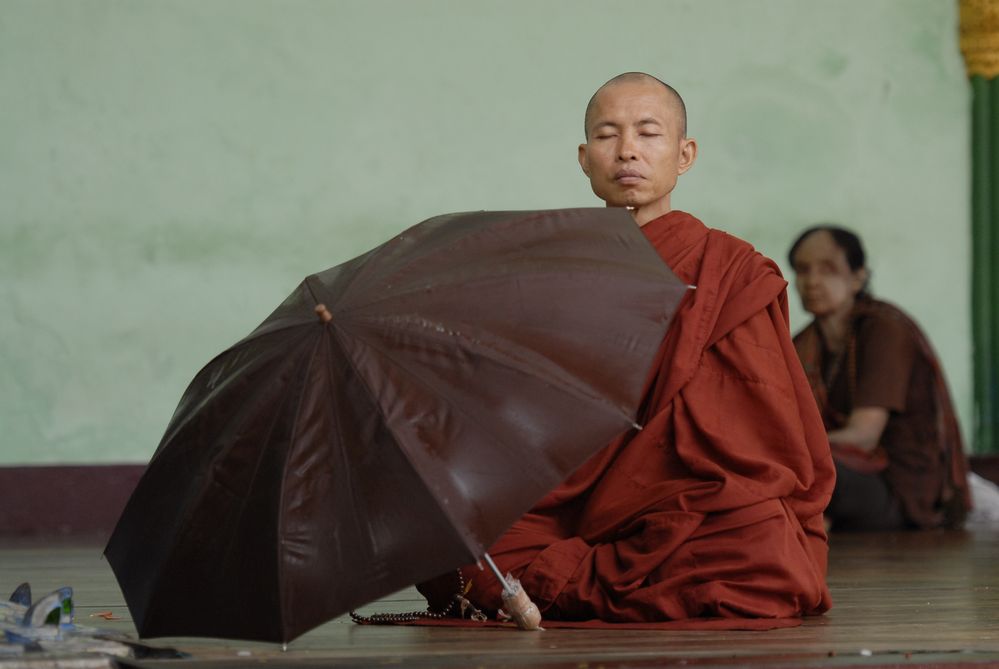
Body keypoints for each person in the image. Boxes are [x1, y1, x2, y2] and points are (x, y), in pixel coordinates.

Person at [418, 72, 835, 624]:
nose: (628, 151)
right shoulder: (550, 269)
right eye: (608, 135)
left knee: (757, 544)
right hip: (573, 493)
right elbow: (530, 413)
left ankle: (555, 587)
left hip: (685, 494)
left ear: (684, 155)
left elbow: (756, 431)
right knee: (453, 542)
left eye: (648, 133)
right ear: (584, 158)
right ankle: (565, 578)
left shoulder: (729, 270)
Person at [788, 225, 971, 531]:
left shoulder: (885, 330)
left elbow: (864, 435)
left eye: (828, 269)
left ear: (858, 277)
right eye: (803, 270)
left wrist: (787, 448)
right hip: (849, 475)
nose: (813, 281)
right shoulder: (805, 344)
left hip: (899, 489)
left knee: (800, 466)